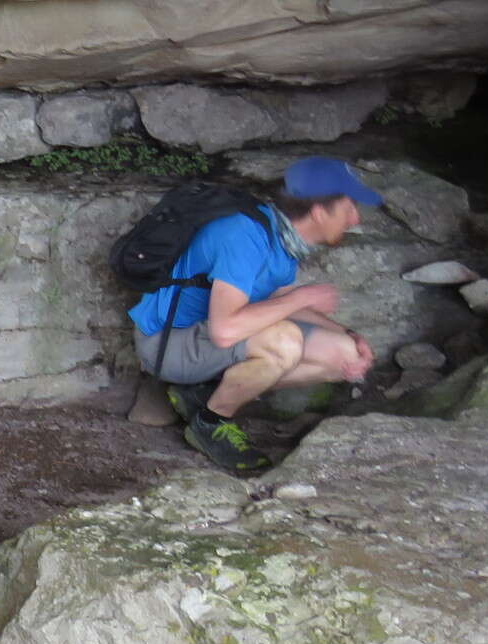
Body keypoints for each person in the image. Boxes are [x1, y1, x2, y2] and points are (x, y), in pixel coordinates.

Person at [130, 157, 380, 474]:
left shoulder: (281, 238)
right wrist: (302, 296)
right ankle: (211, 423)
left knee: (342, 355)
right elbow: (225, 331)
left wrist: (351, 336)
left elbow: (274, 301)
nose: (355, 218)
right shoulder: (243, 236)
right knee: (284, 341)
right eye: (349, 209)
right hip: (168, 343)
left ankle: (203, 392)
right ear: (319, 213)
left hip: (205, 341)